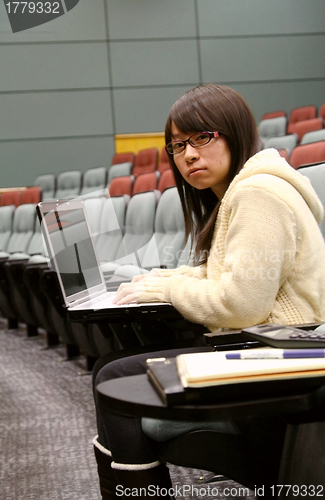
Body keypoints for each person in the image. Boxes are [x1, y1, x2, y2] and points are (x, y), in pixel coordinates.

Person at [93, 84, 325, 499]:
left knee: (113, 378)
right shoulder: (247, 192)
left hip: (283, 367)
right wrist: (165, 282)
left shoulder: (257, 194)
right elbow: (228, 274)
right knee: (114, 368)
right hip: (274, 353)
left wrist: (171, 287)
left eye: (203, 137)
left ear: (234, 132)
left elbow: (238, 305)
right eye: (178, 145)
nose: (189, 154)